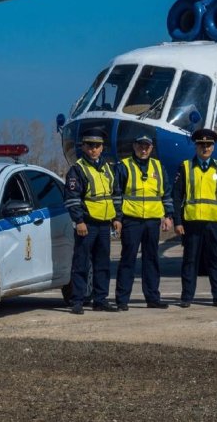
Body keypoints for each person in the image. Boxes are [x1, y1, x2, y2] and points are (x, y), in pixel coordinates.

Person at [172, 128, 217, 308]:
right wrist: (177, 221)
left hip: (214, 222)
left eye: (208, 145)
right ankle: (187, 297)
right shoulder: (185, 167)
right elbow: (177, 196)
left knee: (215, 259)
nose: (205, 148)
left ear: (213, 147)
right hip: (192, 222)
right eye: (201, 145)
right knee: (190, 260)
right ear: (196, 146)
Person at [63, 127, 122, 314]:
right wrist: (79, 221)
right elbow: (72, 198)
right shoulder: (77, 170)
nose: (93, 149)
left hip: (105, 224)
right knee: (81, 263)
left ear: (102, 147)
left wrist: (117, 218)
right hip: (87, 224)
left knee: (103, 263)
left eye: (97, 145)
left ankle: (100, 299)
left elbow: (116, 195)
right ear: (83, 146)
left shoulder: (108, 169)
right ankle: (78, 300)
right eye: (89, 145)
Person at [113, 134, 173, 310]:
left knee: (151, 259)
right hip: (132, 220)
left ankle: (153, 298)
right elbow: (116, 194)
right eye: (140, 146)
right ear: (134, 146)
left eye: (147, 146)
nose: (144, 149)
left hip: (153, 221)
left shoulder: (158, 167)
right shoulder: (124, 166)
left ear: (152, 148)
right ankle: (122, 299)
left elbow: (166, 193)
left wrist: (169, 216)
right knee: (128, 259)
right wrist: (117, 218)